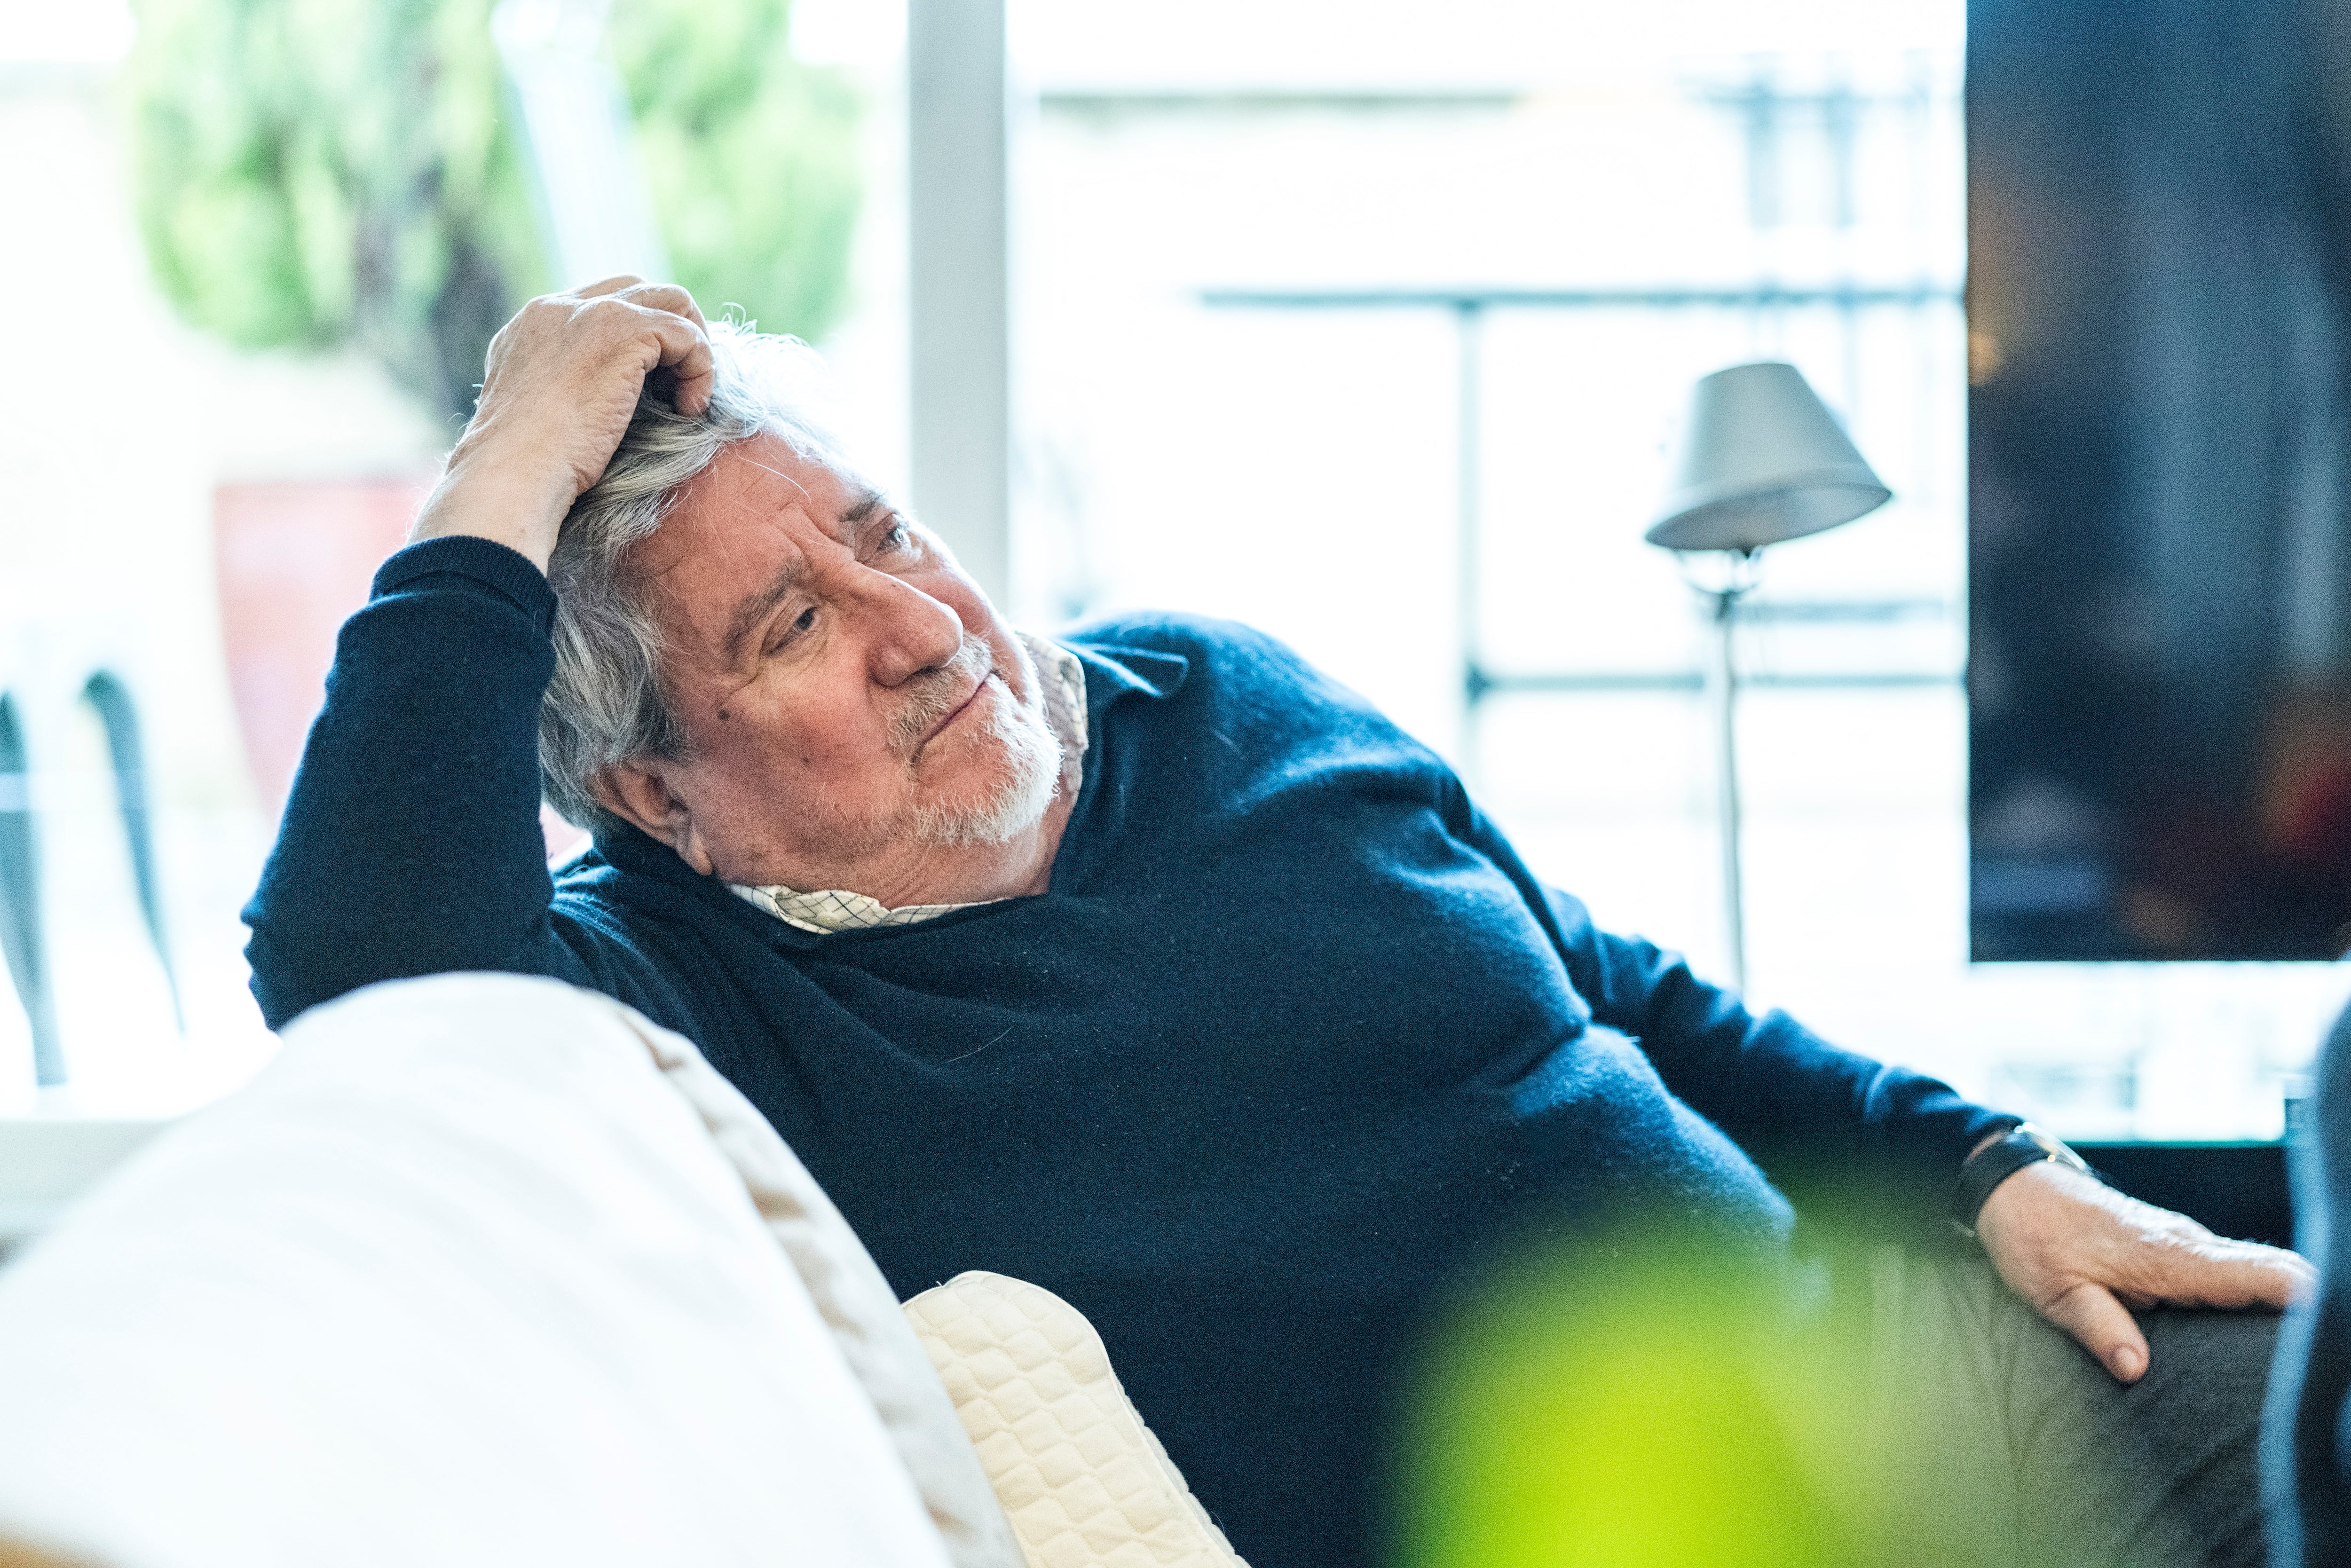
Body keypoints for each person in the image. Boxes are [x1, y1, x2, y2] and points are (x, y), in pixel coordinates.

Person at [247, 278, 2309, 1567]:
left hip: (1928, 1370)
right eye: (790, 626)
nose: (913, 625)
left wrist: (1983, 1166)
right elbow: (351, 971)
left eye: (883, 537)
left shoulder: (1207, 687)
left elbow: (1609, 990)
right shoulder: (666, 993)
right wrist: (513, 448)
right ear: (650, 791)